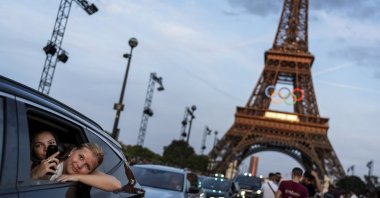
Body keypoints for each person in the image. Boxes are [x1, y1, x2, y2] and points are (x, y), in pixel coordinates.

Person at [30, 130, 121, 192]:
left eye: (87, 166)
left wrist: (78, 177)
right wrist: (35, 174)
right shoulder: (49, 163)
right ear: (72, 151)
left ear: (90, 172)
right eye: (81, 157)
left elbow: (116, 184)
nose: (80, 165)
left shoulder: (83, 174)